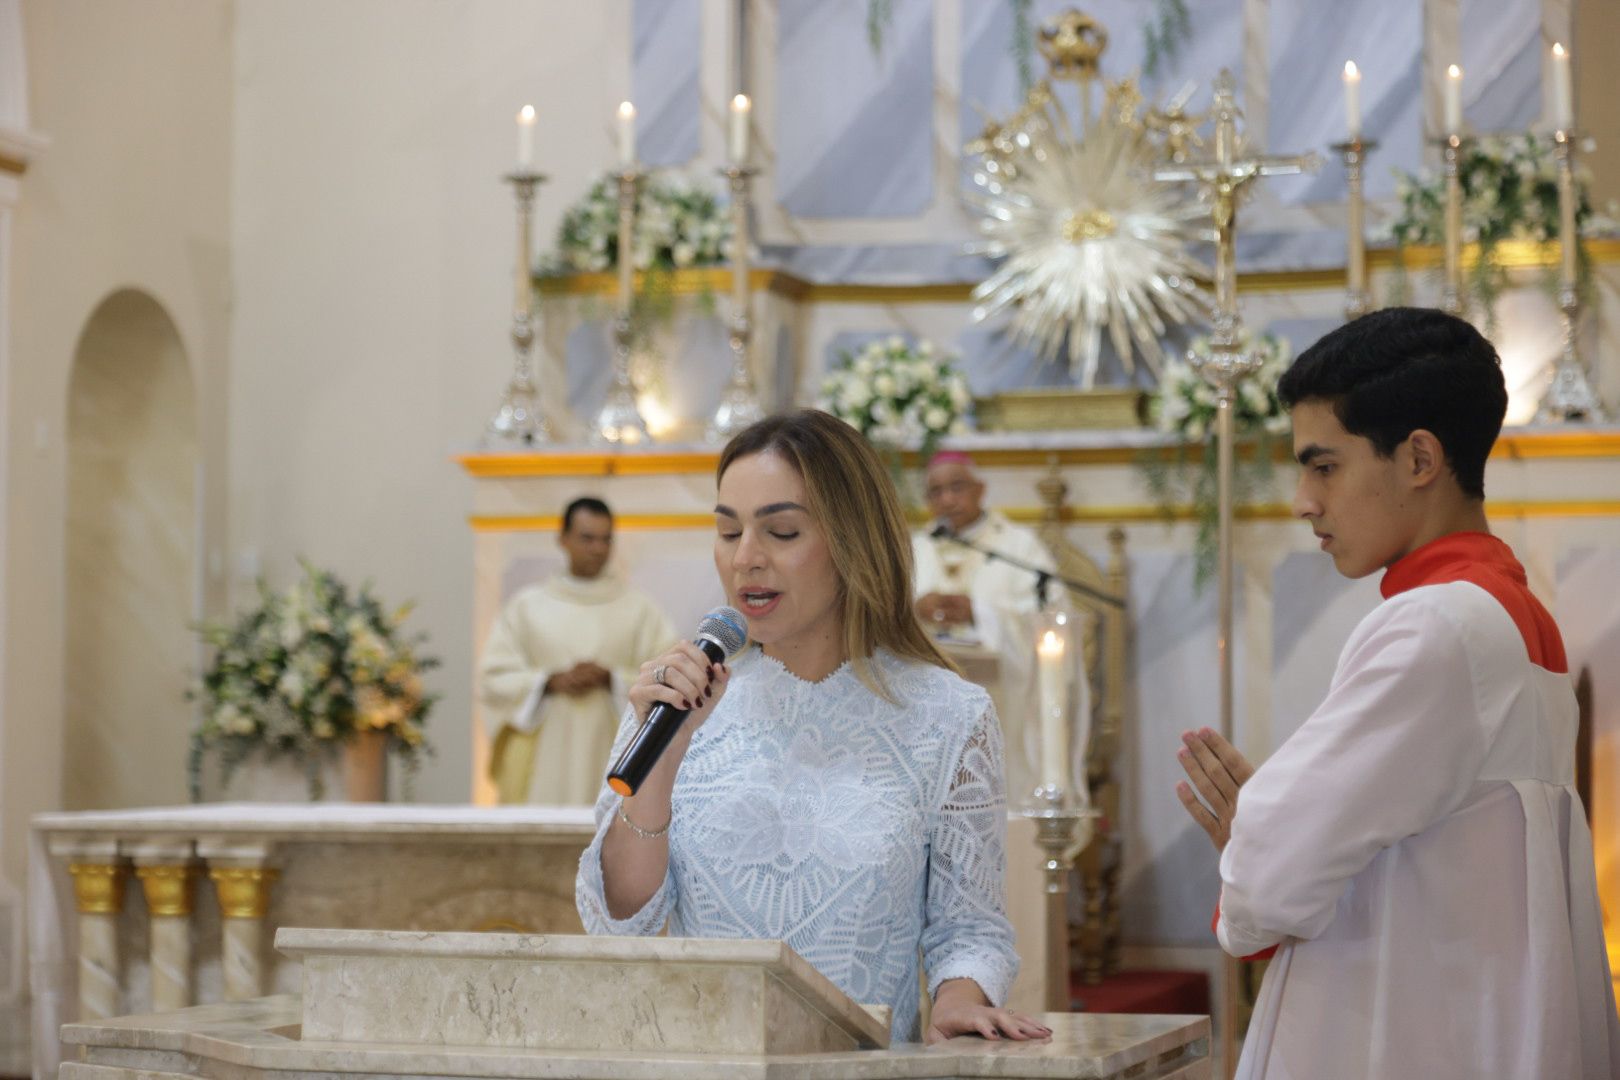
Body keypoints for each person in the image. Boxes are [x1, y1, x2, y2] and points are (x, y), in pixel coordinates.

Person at [1173, 308, 1620, 1079]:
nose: (1303, 500)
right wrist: (1270, 832)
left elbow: (1269, 881)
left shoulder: (1434, 625)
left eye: (1324, 466)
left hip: (1401, 1031)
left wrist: (1253, 841)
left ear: (1419, 458)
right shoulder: (1511, 613)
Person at [575, 410, 1048, 1046]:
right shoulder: (673, 703)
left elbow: (970, 930)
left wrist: (956, 1003)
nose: (745, 558)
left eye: (782, 530)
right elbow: (619, 922)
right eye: (727, 530)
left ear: (853, 540)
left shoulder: (949, 716)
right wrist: (663, 757)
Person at [481, 496, 675, 805]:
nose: (598, 549)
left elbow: (668, 678)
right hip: (544, 761)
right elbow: (494, 677)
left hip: (612, 753)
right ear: (563, 539)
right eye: (587, 538)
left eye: (605, 539)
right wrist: (547, 682)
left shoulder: (639, 610)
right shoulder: (528, 607)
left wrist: (610, 679)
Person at [911, 452, 1054, 652]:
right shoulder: (913, 547)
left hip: (997, 679)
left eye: (957, 487)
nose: (947, 499)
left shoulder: (1020, 544)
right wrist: (914, 611)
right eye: (936, 491)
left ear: (980, 490)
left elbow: (1048, 615)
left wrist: (978, 613)